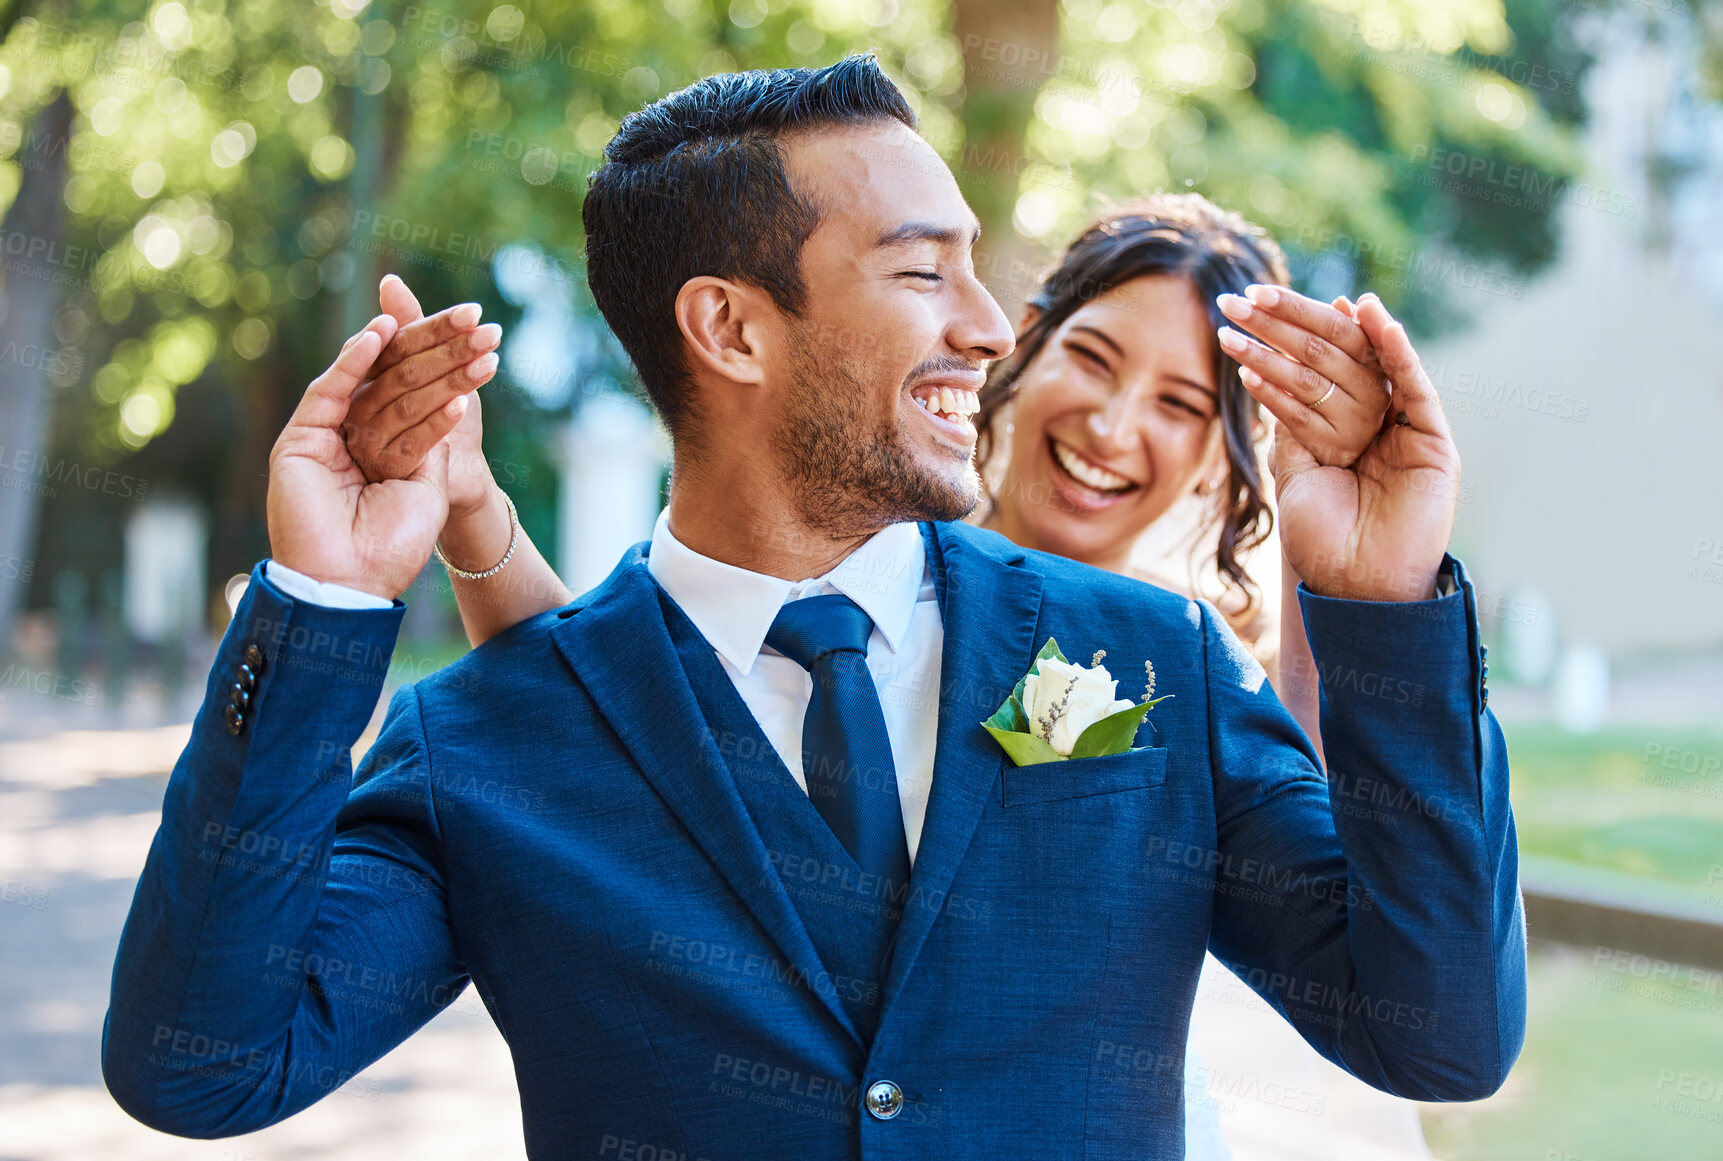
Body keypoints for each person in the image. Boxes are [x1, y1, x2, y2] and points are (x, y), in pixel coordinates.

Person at [102, 56, 1524, 1159]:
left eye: (976, 266)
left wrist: (1384, 597)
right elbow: (200, 1066)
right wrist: (324, 602)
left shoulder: (1149, 663)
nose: (986, 322)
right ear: (727, 328)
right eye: (923, 270)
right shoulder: (488, 739)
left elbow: (1440, 1033)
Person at [348, 193, 1438, 1156]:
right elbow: (617, 699)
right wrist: (475, 514)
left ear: (1222, 454)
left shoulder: (1185, 667)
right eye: (1095, 361)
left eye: (1182, 405)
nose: (1113, 427)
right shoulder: (845, 534)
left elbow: (1366, 896)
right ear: (1024, 344)